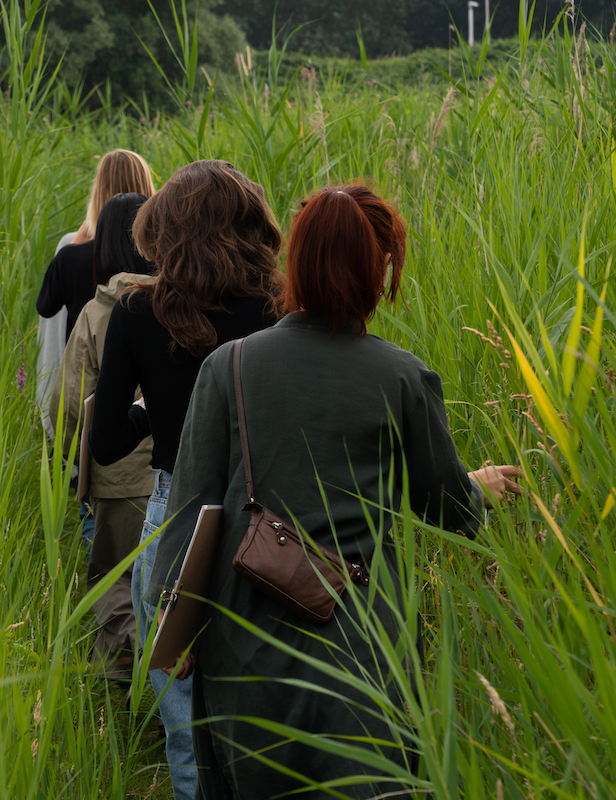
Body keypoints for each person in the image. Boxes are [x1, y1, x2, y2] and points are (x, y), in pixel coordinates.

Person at [145, 185, 523, 798]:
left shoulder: (229, 367)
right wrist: (478, 487)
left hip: (244, 647)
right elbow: (448, 509)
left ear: (294, 264)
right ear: (380, 270)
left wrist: (175, 619)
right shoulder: (403, 377)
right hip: (361, 650)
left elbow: (190, 507)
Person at [89, 160, 285, 800]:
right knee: (267, 710)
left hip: (178, 514)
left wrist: (154, 409)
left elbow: (109, 439)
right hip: (271, 513)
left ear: (165, 230)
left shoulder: (139, 312)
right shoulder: (282, 308)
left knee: (182, 712)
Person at [49, 193, 156, 680]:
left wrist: (74, 456)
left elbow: (69, 404)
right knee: (163, 579)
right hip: (176, 469)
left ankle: (131, 668)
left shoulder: (96, 313)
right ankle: (167, 664)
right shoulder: (179, 305)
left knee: (113, 579)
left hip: (115, 476)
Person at [35, 148, 157, 343]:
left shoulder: (71, 257)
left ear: (99, 191)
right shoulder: (162, 256)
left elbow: (46, 308)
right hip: (144, 365)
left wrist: (70, 249)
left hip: (87, 368)